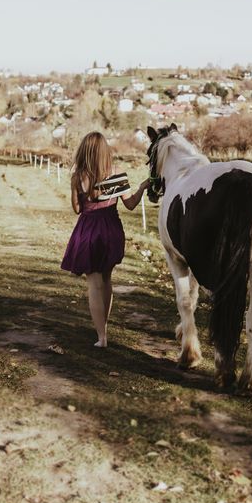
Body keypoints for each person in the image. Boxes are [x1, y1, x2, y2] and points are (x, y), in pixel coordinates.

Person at [61, 132, 149, 347]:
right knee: (107, 279)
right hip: (112, 229)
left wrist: (81, 194)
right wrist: (141, 188)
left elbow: (77, 209)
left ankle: (102, 337)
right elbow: (130, 204)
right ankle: (103, 328)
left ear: (84, 152)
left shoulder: (78, 177)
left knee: (94, 284)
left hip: (89, 230)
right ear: (105, 152)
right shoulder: (118, 175)